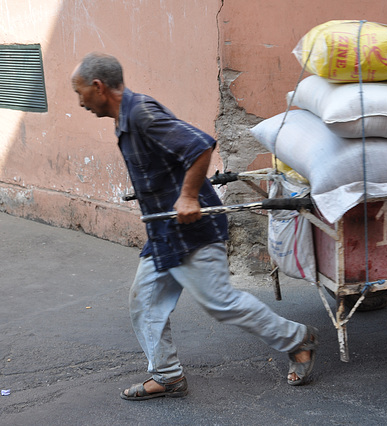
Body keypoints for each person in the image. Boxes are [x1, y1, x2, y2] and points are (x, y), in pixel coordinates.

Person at [70, 52, 319, 400]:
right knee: (144, 300)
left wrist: (188, 196)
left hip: (192, 232)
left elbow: (200, 145)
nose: (79, 101)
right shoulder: (124, 119)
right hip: (163, 234)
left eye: (79, 92)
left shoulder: (141, 113)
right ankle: (168, 375)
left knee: (220, 303)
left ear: (97, 87)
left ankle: (298, 338)